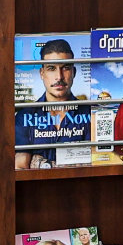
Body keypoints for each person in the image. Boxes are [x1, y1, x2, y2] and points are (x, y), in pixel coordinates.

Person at [15, 38, 91, 170]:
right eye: (51, 68)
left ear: (74, 72)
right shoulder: (24, 116)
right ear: (42, 73)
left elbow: (98, 162)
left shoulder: (89, 113)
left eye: (65, 68)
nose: (59, 77)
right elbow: (21, 167)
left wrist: (38, 162)